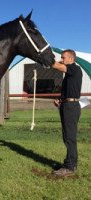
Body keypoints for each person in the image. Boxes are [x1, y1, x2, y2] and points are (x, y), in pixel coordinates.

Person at [52, 49, 82, 177]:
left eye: (63, 58)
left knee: (70, 137)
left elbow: (58, 66)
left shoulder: (75, 68)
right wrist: (60, 100)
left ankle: (70, 167)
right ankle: (69, 163)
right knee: (66, 136)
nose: (62, 60)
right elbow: (69, 91)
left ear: (71, 58)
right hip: (66, 104)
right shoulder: (69, 74)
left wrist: (48, 60)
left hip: (71, 107)